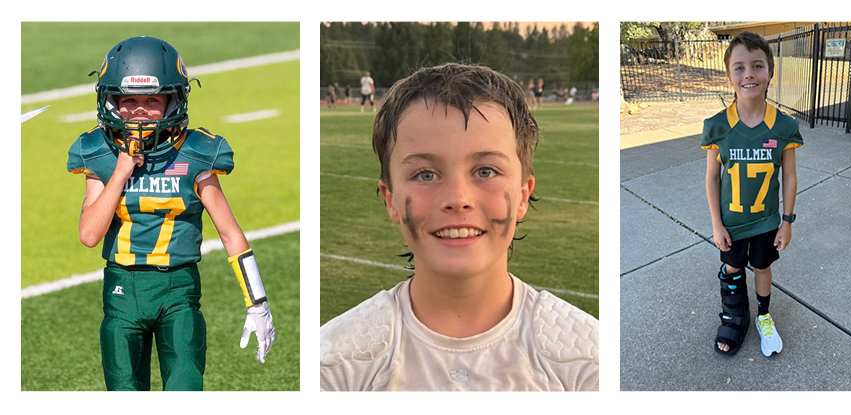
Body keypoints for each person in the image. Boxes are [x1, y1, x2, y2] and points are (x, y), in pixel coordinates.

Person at [320, 63, 599, 391]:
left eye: (485, 171)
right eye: (425, 174)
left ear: (523, 195)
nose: (458, 199)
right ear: (390, 198)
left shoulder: (585, 361)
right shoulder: (334, 364)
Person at [67, 36, 276, 391]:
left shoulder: (196, 152)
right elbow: (89, 235)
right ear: (112, 102)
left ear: (173, 100)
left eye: (152, 100)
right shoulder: (99, 153)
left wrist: (257, 302)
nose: (139, 110)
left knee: (185, 389)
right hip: (121, 292)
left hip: (178, 290)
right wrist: (120, 174)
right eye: (128, 100)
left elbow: (229, 232)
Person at [702, 31, 801, 357]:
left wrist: (786, 221)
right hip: (731, 221)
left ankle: (763, 316)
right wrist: (717, 224)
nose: (749, 75)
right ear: (729, 75)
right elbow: (713, 177)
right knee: (731, 268)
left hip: (766, 221)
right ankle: (733, 314)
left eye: (757, 66)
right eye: (740, 67)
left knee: (762, 267)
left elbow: (789, 176)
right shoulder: (718, 126)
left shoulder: (783, 126)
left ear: (770, 72)